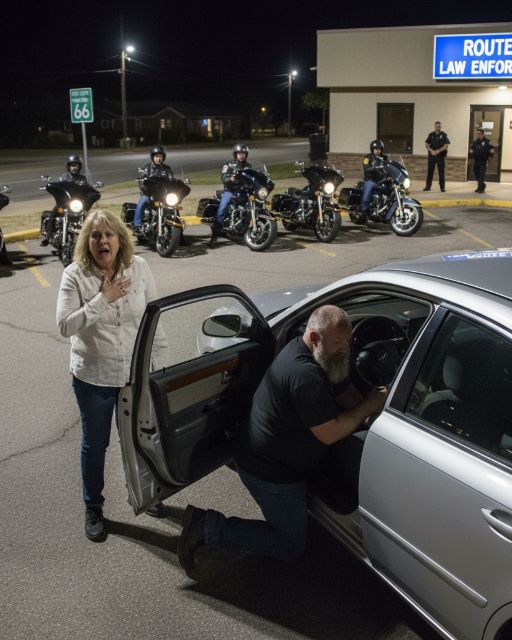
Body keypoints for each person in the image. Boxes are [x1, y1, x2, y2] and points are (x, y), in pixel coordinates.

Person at [177, 305, 387, 573]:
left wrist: (366, 412)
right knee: (290, 545)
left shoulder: (313, 352)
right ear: (315, 338)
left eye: (348, 342)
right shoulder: (304, 376)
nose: (344, 349)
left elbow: (342, 388)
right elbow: (330, 432)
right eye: (338, 343)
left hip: (273, 454)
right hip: (270, 474)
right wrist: (369, 405)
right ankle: (207, 527)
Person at [56, 210, 165, 543]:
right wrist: (103, 299)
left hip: (134, 375)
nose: (102, 241)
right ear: (86, 242)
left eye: (108, 234)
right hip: (94, 379)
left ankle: (144, 494)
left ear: (120, 239)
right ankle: (94, 507)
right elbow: (65, 326)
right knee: (96, 444)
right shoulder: (75, 275)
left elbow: (154, 317)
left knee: (138, 439)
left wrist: (159, 364)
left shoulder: (139, 267)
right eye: (95, 235)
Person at [41, 155, 88, 246]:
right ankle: (49, 236)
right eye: (72, 165)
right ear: (68, 166)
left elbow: (86, 190)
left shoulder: (83, 179)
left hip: (77, 204)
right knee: (54, 213)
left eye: (76, 165)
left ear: (79, 166)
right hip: (64, 204)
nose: (74, 167)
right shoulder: (64, 177)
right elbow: (59, 188)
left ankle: (87, 239)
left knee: (87, 216)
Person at [210, 143, 251, 247]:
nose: (241, 155)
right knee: (221, 210)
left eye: (243, 153)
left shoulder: (248, 166)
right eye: (239, 153)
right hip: (230, 191)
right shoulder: (228, 165)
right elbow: (223, 178)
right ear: (235, 154)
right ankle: (214, 237)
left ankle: (244, 232)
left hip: (243, 192)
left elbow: (252, 179)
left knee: (251, 208)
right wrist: (231, 178)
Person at [133, 146, 173, 230]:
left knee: (174, 205)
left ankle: (178, 229)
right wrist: (144, 188)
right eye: (156, 156)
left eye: (160, 156)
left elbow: (172, 180)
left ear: (163, 157)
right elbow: (141, 181)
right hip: (149, 193)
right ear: (152, 157)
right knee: (141, 203)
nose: (158, 159)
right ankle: (137, 225)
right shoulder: (146, 168)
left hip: (163, 194)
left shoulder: (167, 169)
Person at [361, 139, 388, 214]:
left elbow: (389, 166)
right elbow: (366, 169)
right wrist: (374, 167)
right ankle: (364, 209)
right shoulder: (367, 158)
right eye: (376, 149)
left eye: (379, 149)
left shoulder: (384, 158)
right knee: (366, 196)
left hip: (381, 180)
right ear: (372, 149)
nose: (378, 151)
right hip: (371, 180)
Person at [423, 121, 450, 192]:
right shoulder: (431, 135)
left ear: (441, 127)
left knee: (441, 172)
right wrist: (431, 150)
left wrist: (439, 150)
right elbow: (426, 144)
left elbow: (446, 145)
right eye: (436, 126)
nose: (438, 128)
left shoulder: (444, 135)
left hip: (440, 156)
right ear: (434, 127)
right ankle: (428, 186)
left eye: (439, 126)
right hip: (432, 156)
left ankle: (442, 187)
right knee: (430, 171)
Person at [470, 128, 494, 193]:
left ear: (483, 134)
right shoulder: (475, 142)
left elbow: (492, 149)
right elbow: (471, 150)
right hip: (476, 161)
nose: (478, 135)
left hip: (483, 161)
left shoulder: (488, 141)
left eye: (479, 134)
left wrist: (490, 157)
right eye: (477, 134)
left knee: (481, 175)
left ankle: (480, 188)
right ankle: (482, 185)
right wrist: (471, 157)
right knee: (476, 174)